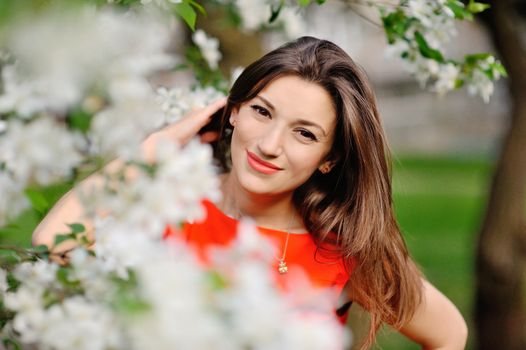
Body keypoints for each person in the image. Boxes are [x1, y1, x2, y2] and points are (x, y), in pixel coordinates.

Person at [33, 36, 468, 349]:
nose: (269, 145)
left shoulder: (342, 249)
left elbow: (450, 334)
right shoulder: (169, 202)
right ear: (233, 110)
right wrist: (154, 150)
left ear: (328, 159)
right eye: (262, 111)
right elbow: (53, 243)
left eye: (304, 133)